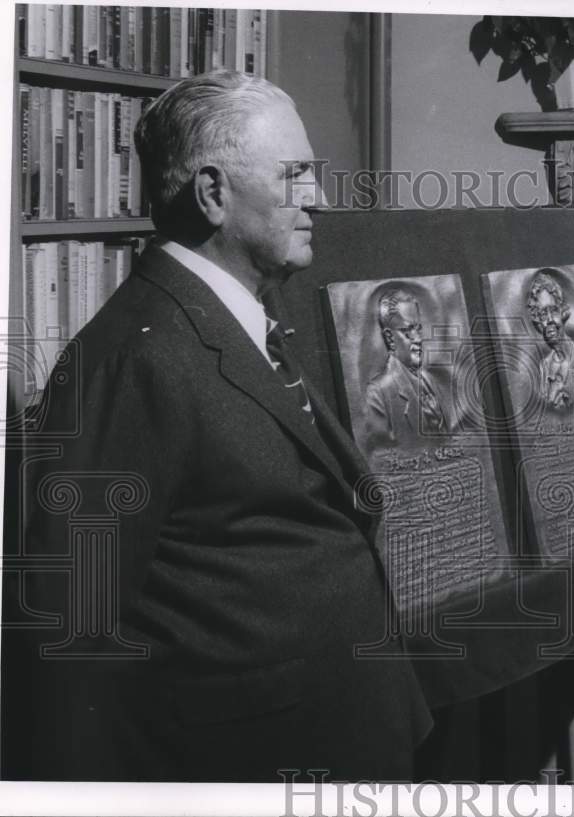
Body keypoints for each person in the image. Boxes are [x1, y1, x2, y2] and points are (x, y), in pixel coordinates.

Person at [10, 70, 431, 781]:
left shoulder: (239, 319)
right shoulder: (133, 360)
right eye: (295, 176)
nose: (319, 199)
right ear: (213, 195)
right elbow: (68, 638)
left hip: (332, 739)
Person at [365, 289, 451, 449]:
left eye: (418, 329)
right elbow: (383, 458)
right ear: (390, 338)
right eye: (407, 331)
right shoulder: (377, 394)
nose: (417, 339)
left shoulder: (430, 380)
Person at [525, 269, 574, 410]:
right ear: (537, 322)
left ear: (563, 312)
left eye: (554, 310)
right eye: (543, 315)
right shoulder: (544, 367)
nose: (550, 320)